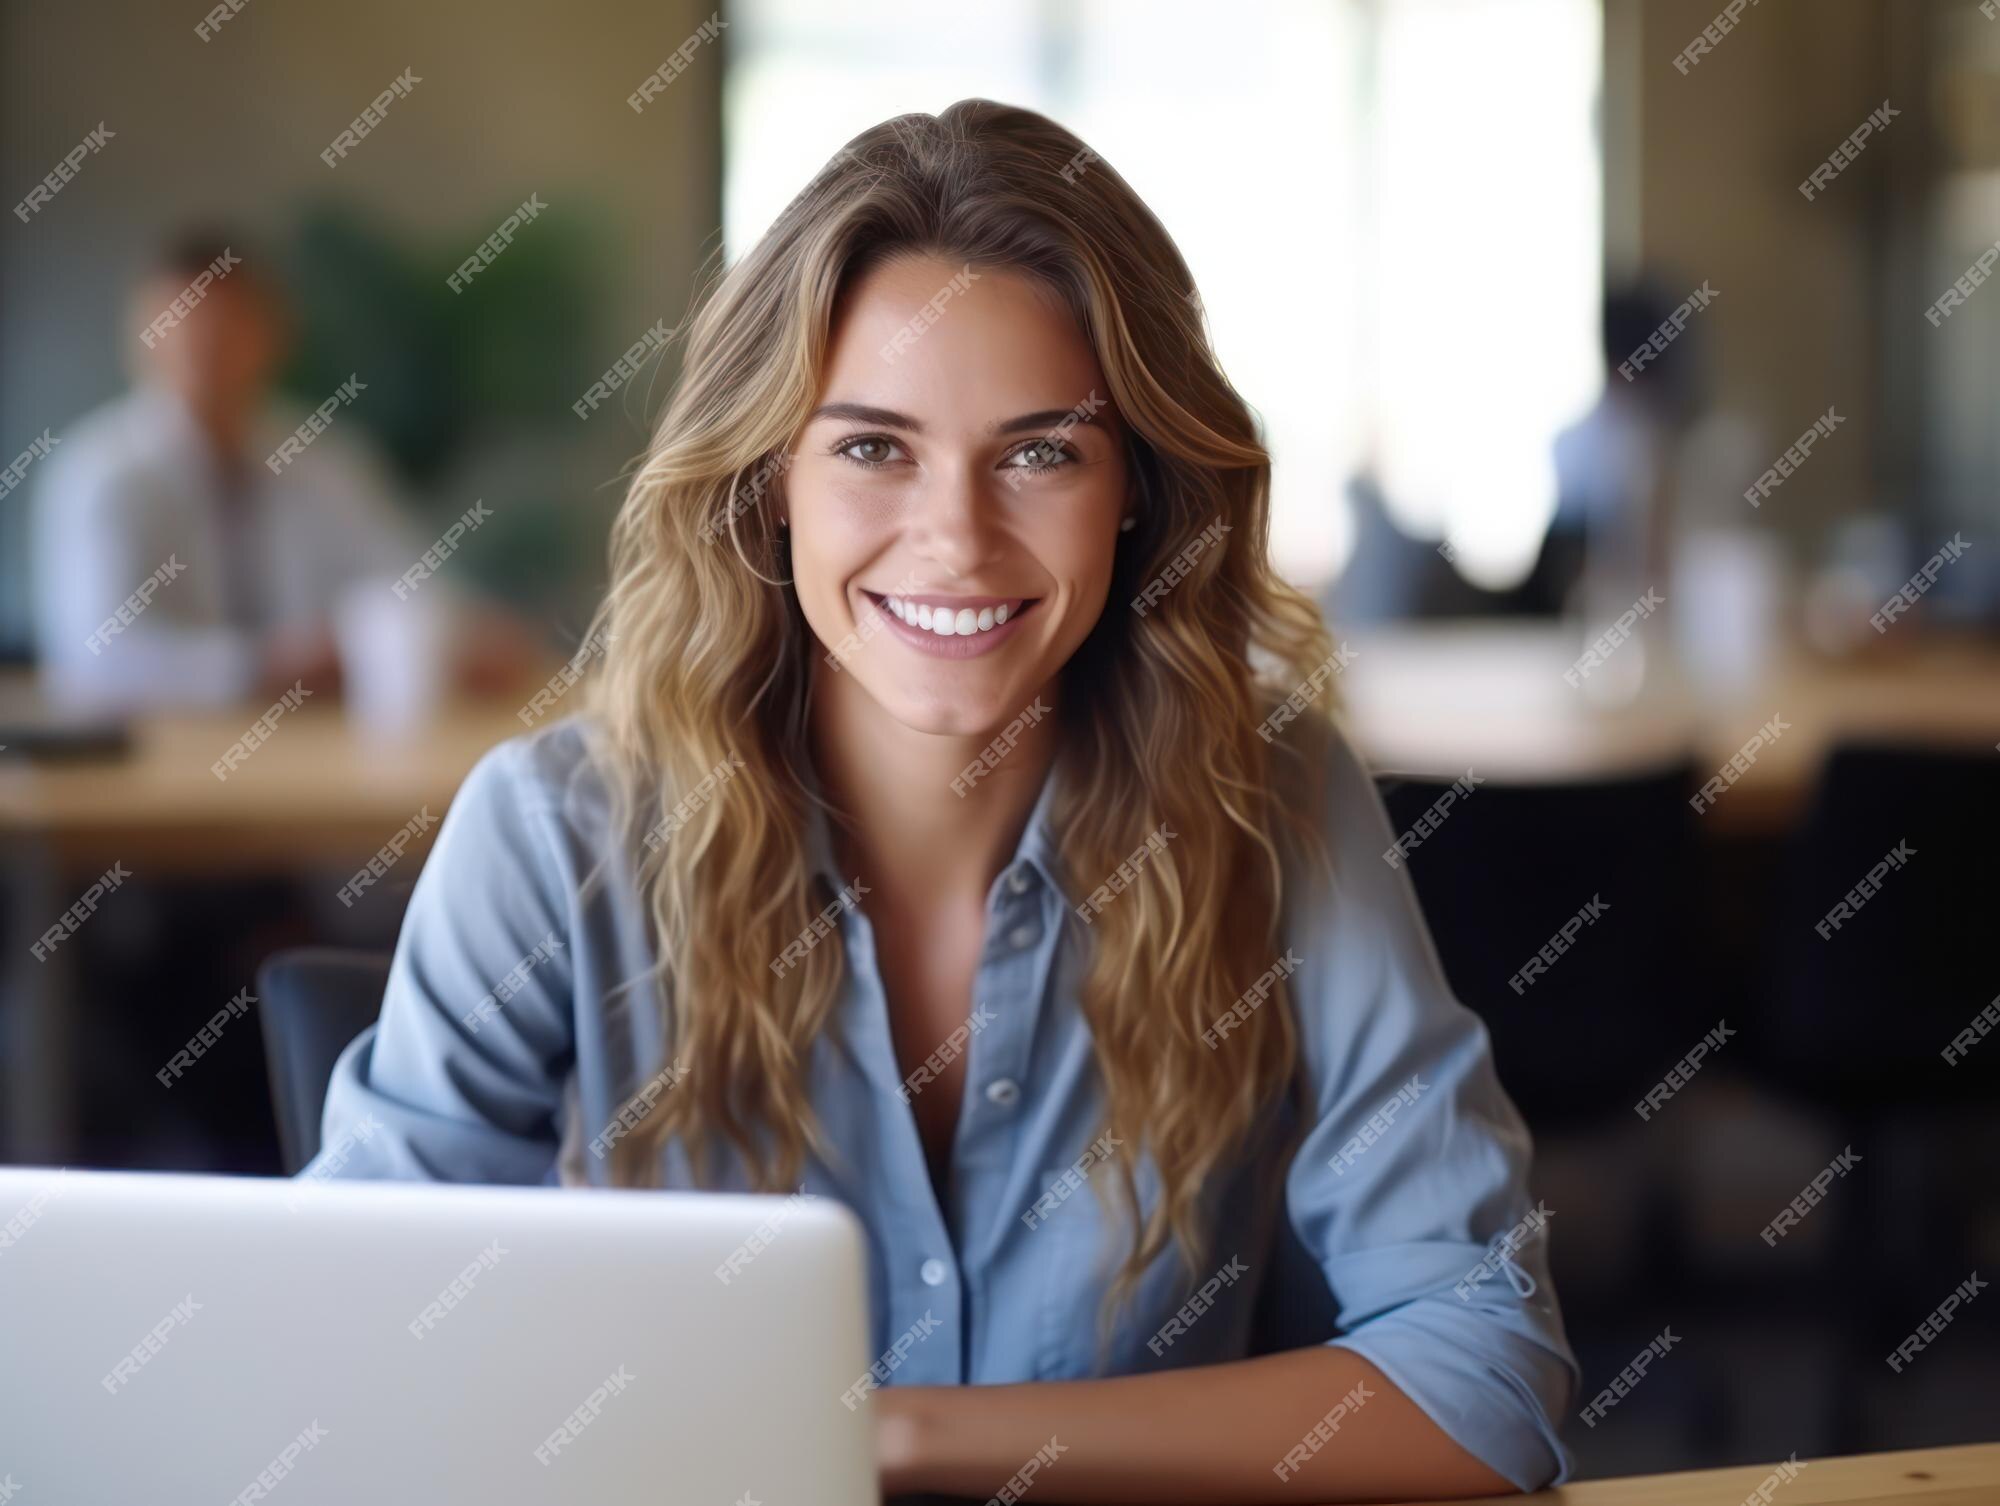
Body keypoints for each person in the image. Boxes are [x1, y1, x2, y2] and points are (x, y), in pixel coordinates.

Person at [301, 101, 1578, 1499]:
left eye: (1042, 451)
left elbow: (1488, 1377)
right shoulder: (555, 836)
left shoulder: (1267, 798)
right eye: (871, 447)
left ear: (1136, 492)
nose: (957, 540)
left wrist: (893, 1435)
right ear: (768, 481)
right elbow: (354, 1368)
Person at [31, 229, 441, 711]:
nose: (207, 347)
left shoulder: (328, 460)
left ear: (276, 334)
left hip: (320, 754)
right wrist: (268, 667)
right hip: (156, 764)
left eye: (228, 326)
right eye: (183, 324)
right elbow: (93, 661)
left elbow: (409, 582)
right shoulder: (99, 475)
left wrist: (449, 635)